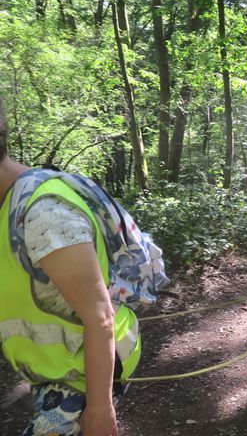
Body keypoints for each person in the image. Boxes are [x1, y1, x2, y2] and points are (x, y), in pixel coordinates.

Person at [0, 100, 139, 436]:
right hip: (53, 369)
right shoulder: (7, 205)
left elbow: (100, 318)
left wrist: (100, 411)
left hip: (83, 373)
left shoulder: (45, 216)